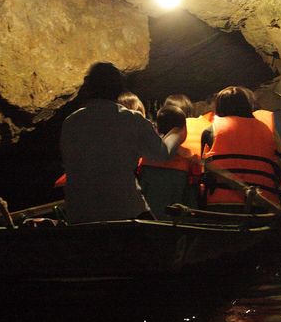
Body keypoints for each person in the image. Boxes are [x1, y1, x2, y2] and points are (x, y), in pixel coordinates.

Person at [60, 62, 186, 223]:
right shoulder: (132, 120)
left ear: (88, 86)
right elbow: (163, 154)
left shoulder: (70, 122)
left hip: (79, 214)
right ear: (119, 89)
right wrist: (177, 132)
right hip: (123, 210)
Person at [201, 86, 281, 209]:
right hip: (264, 202)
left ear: (219, 106)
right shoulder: (268, 131)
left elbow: (203, 169)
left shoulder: (210, 132)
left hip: (220, 203)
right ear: (248, 106)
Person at [138, 105, 202, 220]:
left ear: (157, 129)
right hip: (176, 222)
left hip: (149, 221)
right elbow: (192, 199)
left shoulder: (145, 157)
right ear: (183, 129)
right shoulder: (191, 159)